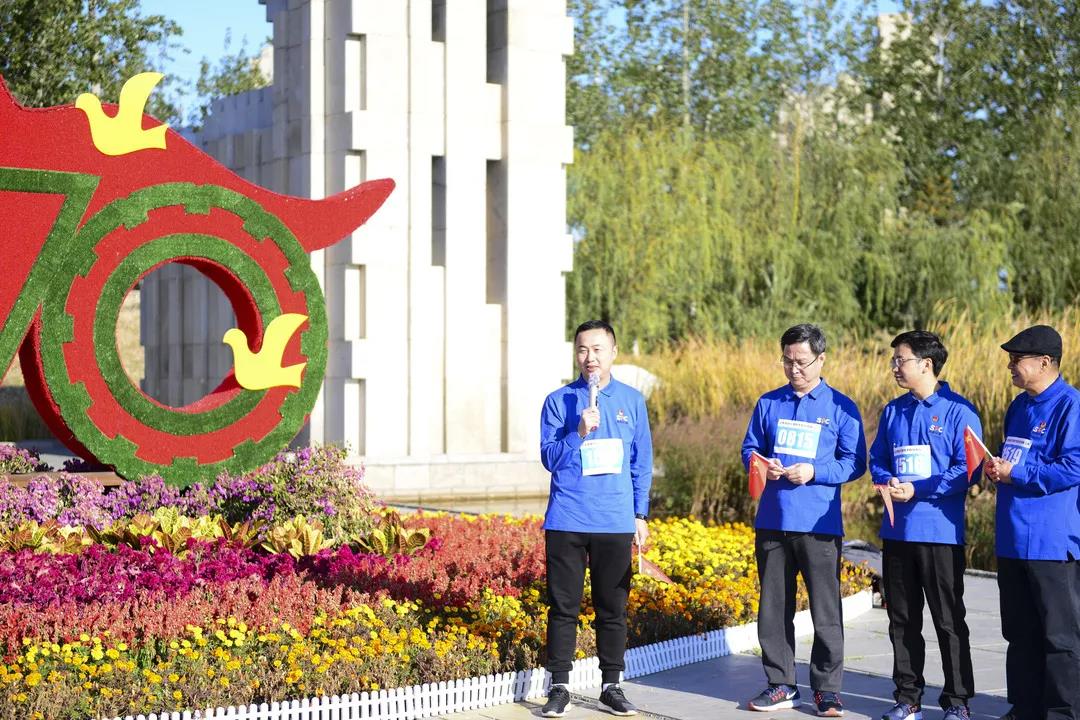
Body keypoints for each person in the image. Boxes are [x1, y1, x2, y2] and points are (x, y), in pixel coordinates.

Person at [741, 323, 867, 716]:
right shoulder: (769, 403)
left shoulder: (841, 407)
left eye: (802, 362)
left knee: (825, 611)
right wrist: (763, 464)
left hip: (818, 526)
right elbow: (749, 450)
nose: (794, 368)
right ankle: (781, 684)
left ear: (821, 359)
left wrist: (815, 471)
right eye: (787, 361)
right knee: (773, 608)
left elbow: (855, 462)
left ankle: (827, 690)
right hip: (773, 521)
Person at [538, 320, 653, 718]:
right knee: (563, 608)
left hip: (614, 521)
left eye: (598, 349)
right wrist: (578, 432)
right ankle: (559, 686)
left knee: (612, 608)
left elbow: (641, 462)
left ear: (613, 353)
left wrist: (640, 514)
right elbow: (549, 458)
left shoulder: (632, 401)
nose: (590, 358)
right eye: (583, 349)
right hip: (567, 519)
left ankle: (611, 686)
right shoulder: (558, 401)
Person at [869, 331, 979, 720]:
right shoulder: (893, 411)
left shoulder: (959, 411)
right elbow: (877, 458)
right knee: (901, 620)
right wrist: (887, 480)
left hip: (939, 534)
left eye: (900, 360)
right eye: (894, 361)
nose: (894, 367)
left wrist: (919, 488)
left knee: (948, 621)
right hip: (897, 532)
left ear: (926, 364)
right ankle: (908, 698)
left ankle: (958, 702)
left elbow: (967, 470)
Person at [983, 325, 1080, 720]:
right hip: (1012, 537)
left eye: (1017, 359)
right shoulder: (1019, 406)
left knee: (1060, 637)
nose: (1010, 365)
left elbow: (1072, 467)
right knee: (1019, 634)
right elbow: (1013, 457)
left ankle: (1062, 712)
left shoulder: (1070, 406)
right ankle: (1025, 707)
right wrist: (996, 469)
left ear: (1045, 362)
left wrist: (1017, 474)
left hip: (1050, 542)